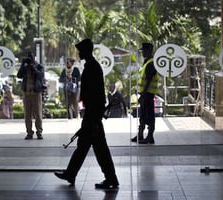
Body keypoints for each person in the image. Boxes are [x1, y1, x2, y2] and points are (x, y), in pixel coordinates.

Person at [54, 38, 119, 189]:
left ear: (86, 51)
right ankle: (72, 173)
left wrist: (95, 118)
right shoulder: (91, 66)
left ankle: (110, 178)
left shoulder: (92, 67)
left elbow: (97, 95)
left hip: (92, 115)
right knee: (86, 146)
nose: (78, 52)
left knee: (97, 148)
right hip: (92, 114)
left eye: (80, 50)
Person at [131, 43, 159, 144]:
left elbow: (148, 80)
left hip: (148, 93)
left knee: (149, 115)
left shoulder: (150, 63)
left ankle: (150, 137)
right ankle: (140, 135)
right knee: (143, 114)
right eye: (142, 50)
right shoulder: (147, 62)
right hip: (145, 93)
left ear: (149, 51)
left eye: (144, 50)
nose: (143, 52)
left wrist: (143, 95)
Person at [17, 52, 44, 140]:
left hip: (36, 93)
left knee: (38, 114)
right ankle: (29, 132)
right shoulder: (25, 67)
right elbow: (19, 75)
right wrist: (22, 66)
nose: (29, 61)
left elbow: (40, 75)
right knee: (27, 115)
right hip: (27, 93)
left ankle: (39, 132)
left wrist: (33, 67)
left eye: (31, 58)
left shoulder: (39, 66)